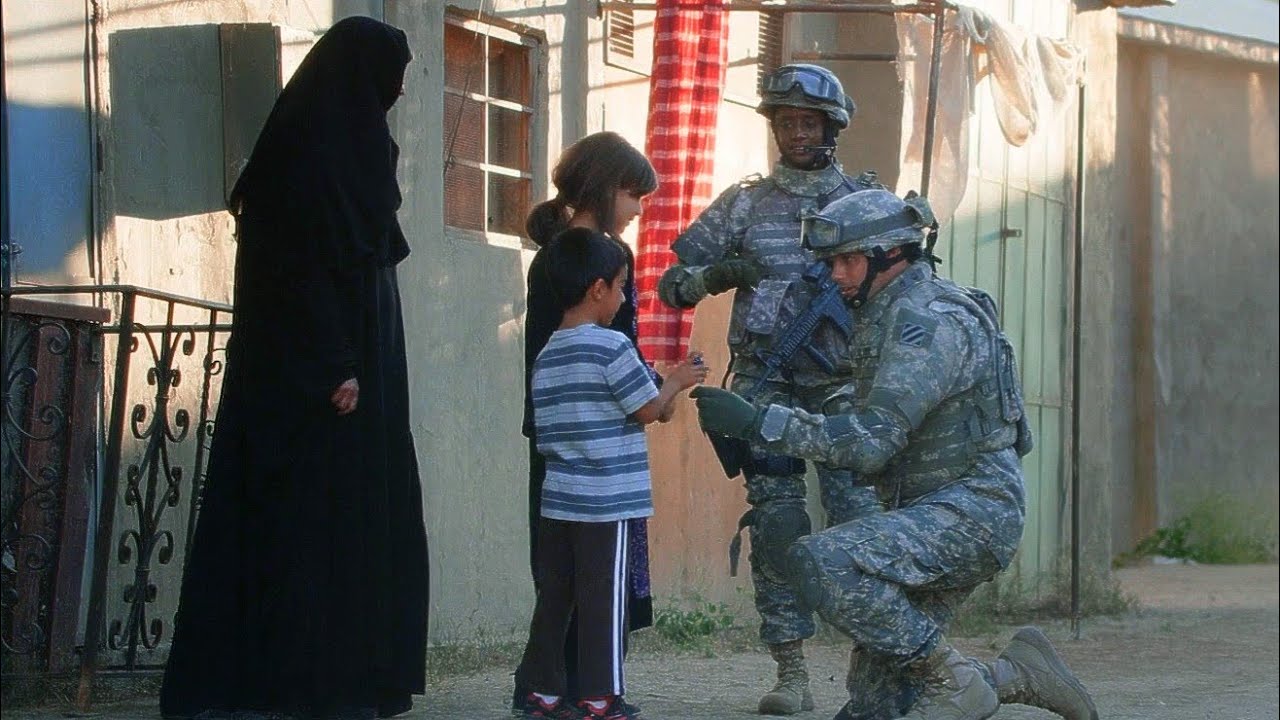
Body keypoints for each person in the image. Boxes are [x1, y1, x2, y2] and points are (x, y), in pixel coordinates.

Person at [691, 188, 1098, 720]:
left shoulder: (923, 323)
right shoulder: (887, 314)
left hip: (971, 513)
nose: (835, 275)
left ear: (892, 255)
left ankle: (954, 679)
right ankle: (1014, 674)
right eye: (831, 262)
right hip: (929, 513)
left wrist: (759, 422)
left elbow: (872, 442)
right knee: (874, 708)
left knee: (823, 560)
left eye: (848, 261)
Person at [159, 17, 428, 720]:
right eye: (390, 80)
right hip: (315, 385)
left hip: (357, 372)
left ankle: (347, 681)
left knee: (350, 522)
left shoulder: (349, 150)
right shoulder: (308, 160)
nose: (396, 95)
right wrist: (337, 363)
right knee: (309, 525)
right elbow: (299, 275)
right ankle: (299, 683)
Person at [656, 63, 883, 715]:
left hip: (842, 387)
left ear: (831, 128)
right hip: (764, 383)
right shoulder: (745, 204)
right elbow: (672, 284)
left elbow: (904, 282)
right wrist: (715, 276)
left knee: (859, 524)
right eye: (786, 123)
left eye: (808, 123)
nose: (796, 134)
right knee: (778, 521)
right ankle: (792, 672)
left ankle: (876, 665)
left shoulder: (862, 203)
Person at [514, 228, 708, 720]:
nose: (623, 298)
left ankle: (541, 692)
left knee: (556, 597)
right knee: (605, 597)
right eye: (621, 287)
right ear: (597, 289)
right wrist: (676, 381)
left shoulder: (548, 352)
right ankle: (601, 697)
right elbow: (648, 409)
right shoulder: (612, 346)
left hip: (559, 500)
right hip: (606, 501)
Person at [516, 132, 661, 712]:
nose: (638, 210)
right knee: (596, 577)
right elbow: (614, 354)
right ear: (606, 188)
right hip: (597, 449)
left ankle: (549, 687)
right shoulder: (590, 259)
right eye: (633, 196)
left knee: (563, 577)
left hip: (561, 441)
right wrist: (662, 388)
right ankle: (595, 691)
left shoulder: (569, 253)